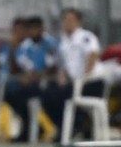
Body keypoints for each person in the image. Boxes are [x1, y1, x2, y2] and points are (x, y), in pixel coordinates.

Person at [41, 8, 104, 137]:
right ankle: (66, 126)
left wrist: (84, 77)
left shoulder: (85, 36)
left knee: (60, 96)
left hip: (91, 82)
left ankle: (77, 124)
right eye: (65, 20)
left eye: (71, 19)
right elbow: (64, 64)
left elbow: (93, 55)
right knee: (46, 94)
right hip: (73, 82)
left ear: (79, 22)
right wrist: (62, 76)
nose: (67, 23)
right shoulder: (64, 41)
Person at [4, 15, 58, 141]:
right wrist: (12, 49)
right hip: (29, 82)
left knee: (46, 95)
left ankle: (59, 126)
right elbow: (16, 68)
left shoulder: (50, 44)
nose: (32, 32)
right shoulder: (25, 46)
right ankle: (29, 127)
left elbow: (53, 68)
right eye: (30, 29)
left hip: (47, 81)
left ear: (41, 29)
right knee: (12, 94)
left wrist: (35, 76)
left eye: (35, 29)